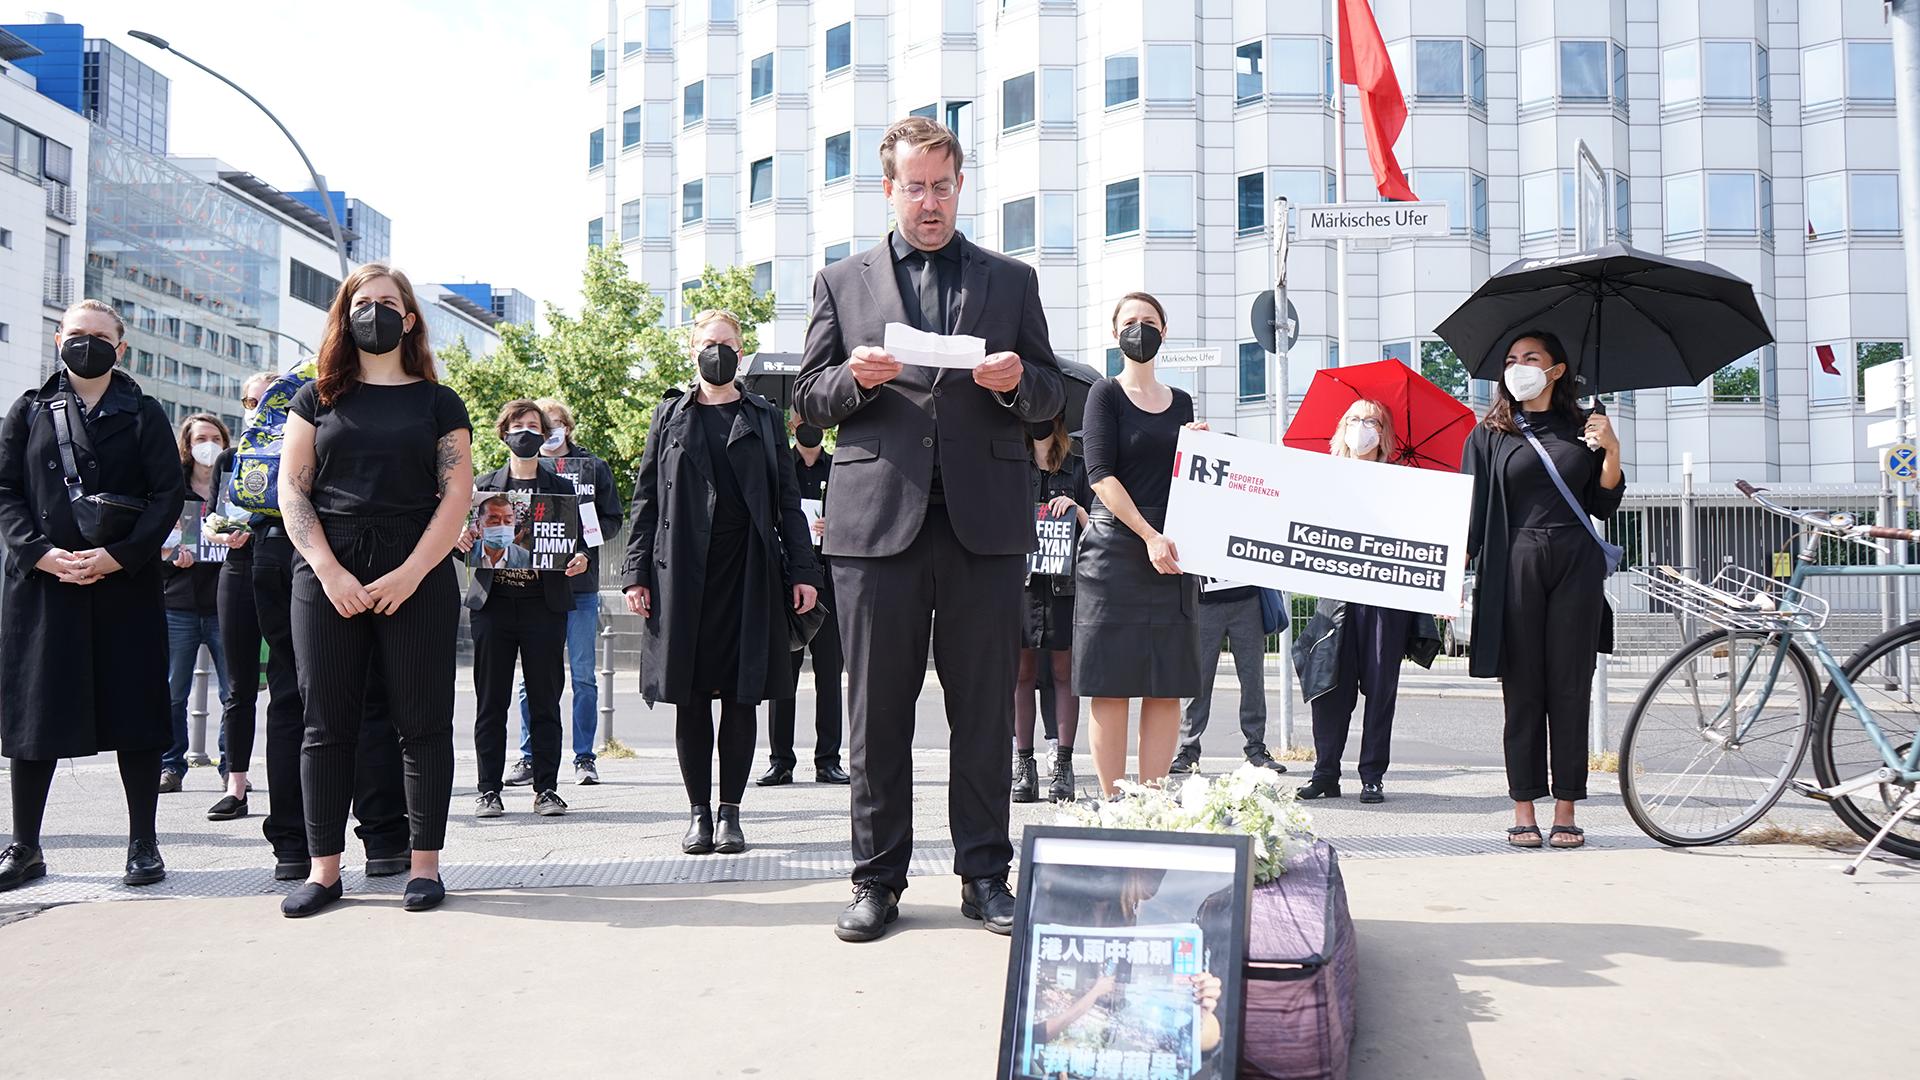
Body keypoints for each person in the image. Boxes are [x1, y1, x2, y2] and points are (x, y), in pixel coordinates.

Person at [794, 115, 1065, 942]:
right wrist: (852, 380)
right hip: (876, 527)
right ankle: (876, 880)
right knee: (876, 714)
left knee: (983, 711)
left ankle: (986, 877)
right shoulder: (843, 281)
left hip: (985, 526)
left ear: (960, 187)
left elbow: (1053, 397)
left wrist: (1021, 384)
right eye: (914, 186)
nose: (929, 201)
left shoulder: (1010, 280)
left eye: (942, 186)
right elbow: (805, 397)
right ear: (889, 189)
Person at [277, 262, 473, 916]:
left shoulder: (438, 402)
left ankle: (424, 865)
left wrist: (413, 571)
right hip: (327, 569)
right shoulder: (315, 397)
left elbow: (456, 496)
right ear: (344, 314)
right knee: (324, 726)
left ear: (410, 318)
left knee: (423, 723)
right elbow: (292, 490)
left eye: (389, 303)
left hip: (415, 568)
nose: (377, 313)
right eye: (365, 303)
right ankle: (325, 870)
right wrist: (330, 572)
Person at [0, 298, 185, 891]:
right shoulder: (27, 411)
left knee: (136, 714)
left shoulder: (144, 412)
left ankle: (143, 845)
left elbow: (166, 496)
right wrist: (39, 553)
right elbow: (5, 492)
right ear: (58, 340)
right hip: (44, 586)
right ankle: (25, 845)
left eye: (100, 337)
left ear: (121, 348)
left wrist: (118, 557)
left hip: (123, 586)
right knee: (34, 718)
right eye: (77, 335)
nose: (87, 344)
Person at [624, 309, 821, 857]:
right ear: (693, 352)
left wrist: (804, 573)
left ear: (741, 350)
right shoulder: (669, 414)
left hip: (749, 571)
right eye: (710, 344)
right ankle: (697, 816)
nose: (719, 352)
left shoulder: (763, 415)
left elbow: (786, 501)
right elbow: (647, 499)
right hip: (682, 574)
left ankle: (730, 814)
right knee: (690, 698)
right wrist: (635, 571)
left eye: (728, 343)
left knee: (742, 697)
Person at [1461, 330, 1624, 850]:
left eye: (1530, 358)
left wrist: (1611, 449)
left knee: (1570, 688)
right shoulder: (1489, 434)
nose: (1517, 367)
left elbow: (1603, 504)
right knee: (1523, 690)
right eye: (1510, 359)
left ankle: (1568, 808)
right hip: (1514, 564)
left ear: (1556, 370)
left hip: (1575, 562)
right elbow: (1469, 512)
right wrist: (1447, 576)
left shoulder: (1585, 427)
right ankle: (1524, 807)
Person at [1076, 292, 1207, 797]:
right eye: (1129, 321)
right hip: (1115, 548)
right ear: (1116, 334)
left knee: (1166, 683)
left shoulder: (1183, 403)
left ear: (1164, 331)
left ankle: (1151, 807)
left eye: (1148, 321)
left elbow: (1186, 481)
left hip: (1171, 553)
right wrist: (1148, 535)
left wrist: (1200, 449)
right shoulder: (1103, 394)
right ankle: (1114, 804)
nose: (1139, 328)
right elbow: (1099, 475)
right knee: (1111, 684)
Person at [1293, 401, 1442, 803]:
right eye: (1353, 420)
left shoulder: (1402, 482)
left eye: (1371, 421)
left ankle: (1372, 775)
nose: (1362, 427)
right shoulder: (1325, 479)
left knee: (1381, 688)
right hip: (1336, 600)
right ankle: (1325, 773)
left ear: (1385, 434)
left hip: (1385, 601)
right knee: (1328, 687)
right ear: (1341, 429)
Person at [459, 401, 590, 819]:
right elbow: (461, 538)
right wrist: (461, 538)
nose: (526, 433)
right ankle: (488, 790)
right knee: (490, 702)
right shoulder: (482, 486)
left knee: (546, 699)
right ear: (504, 434)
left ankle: (546, 789)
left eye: (534, 426)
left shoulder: (562, 488)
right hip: (493, 606)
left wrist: (580, 558)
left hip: (544, 606)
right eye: (518, 426)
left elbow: (578, 541)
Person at [506, 397, 623, 787]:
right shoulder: (522, 471)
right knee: (531, 680)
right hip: (537, 587)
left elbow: (612, 519)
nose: (547, 432)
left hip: (581, 588)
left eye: (553, 425)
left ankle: (584, 757)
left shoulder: (594, 469)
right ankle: (528, 755)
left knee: (584, 677)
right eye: (542, 425)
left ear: (566, 428)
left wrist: (585, 536)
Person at [760, 406, 849, 787]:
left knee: (830, 676)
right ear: (792, 425)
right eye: (801, 421)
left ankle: (828, 759)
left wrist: (839, 526)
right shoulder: (781, 468)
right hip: (788, 583)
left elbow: (865, 515)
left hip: (832, 582)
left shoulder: (841, 468)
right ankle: (781, 760)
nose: (808, 428)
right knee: (784, 676)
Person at [207, 373, 276, 823]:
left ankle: (302, 781)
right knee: (238, 687)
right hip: (236, 571)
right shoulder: (229, 459)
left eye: (264, 399)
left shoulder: (299, 448)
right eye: (249, 399)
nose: (255, 407)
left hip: (285, 569)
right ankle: (236, 784)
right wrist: (219, 528)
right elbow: (213, 511)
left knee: (295, 685)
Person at [1014, 413, 1090, 804]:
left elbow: (1098, 529)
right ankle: (1024, 766)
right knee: (1021, 675)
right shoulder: (1013, 463)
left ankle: (1063, 764)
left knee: (1064, 674)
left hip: (1064, 587)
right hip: (1022, 586)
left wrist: (1076, 509)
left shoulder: (1078, 467)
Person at [158, 414, 235, 793]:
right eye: (200, 438)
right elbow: (153, 542)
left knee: (232, 692)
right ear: (187, 445)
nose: (209, 445)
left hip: (226, 603)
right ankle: (170, 765)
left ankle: (232, 768)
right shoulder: (172, 490)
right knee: (173, 691)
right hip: (179, 603)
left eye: (215, 437)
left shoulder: (234, 488)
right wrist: (170, 556)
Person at [1171, 575, 1283, 777]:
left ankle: (1256, 750)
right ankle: (1188, 752)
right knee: (1197, 681)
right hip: (1203, 602)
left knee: (1253, 680)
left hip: (1248, 600)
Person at [470, 494, 533, 569]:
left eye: (508, 521)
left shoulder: (526, 558)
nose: (502, 527)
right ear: (478, 525)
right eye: (494, 522)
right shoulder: (466, 553)